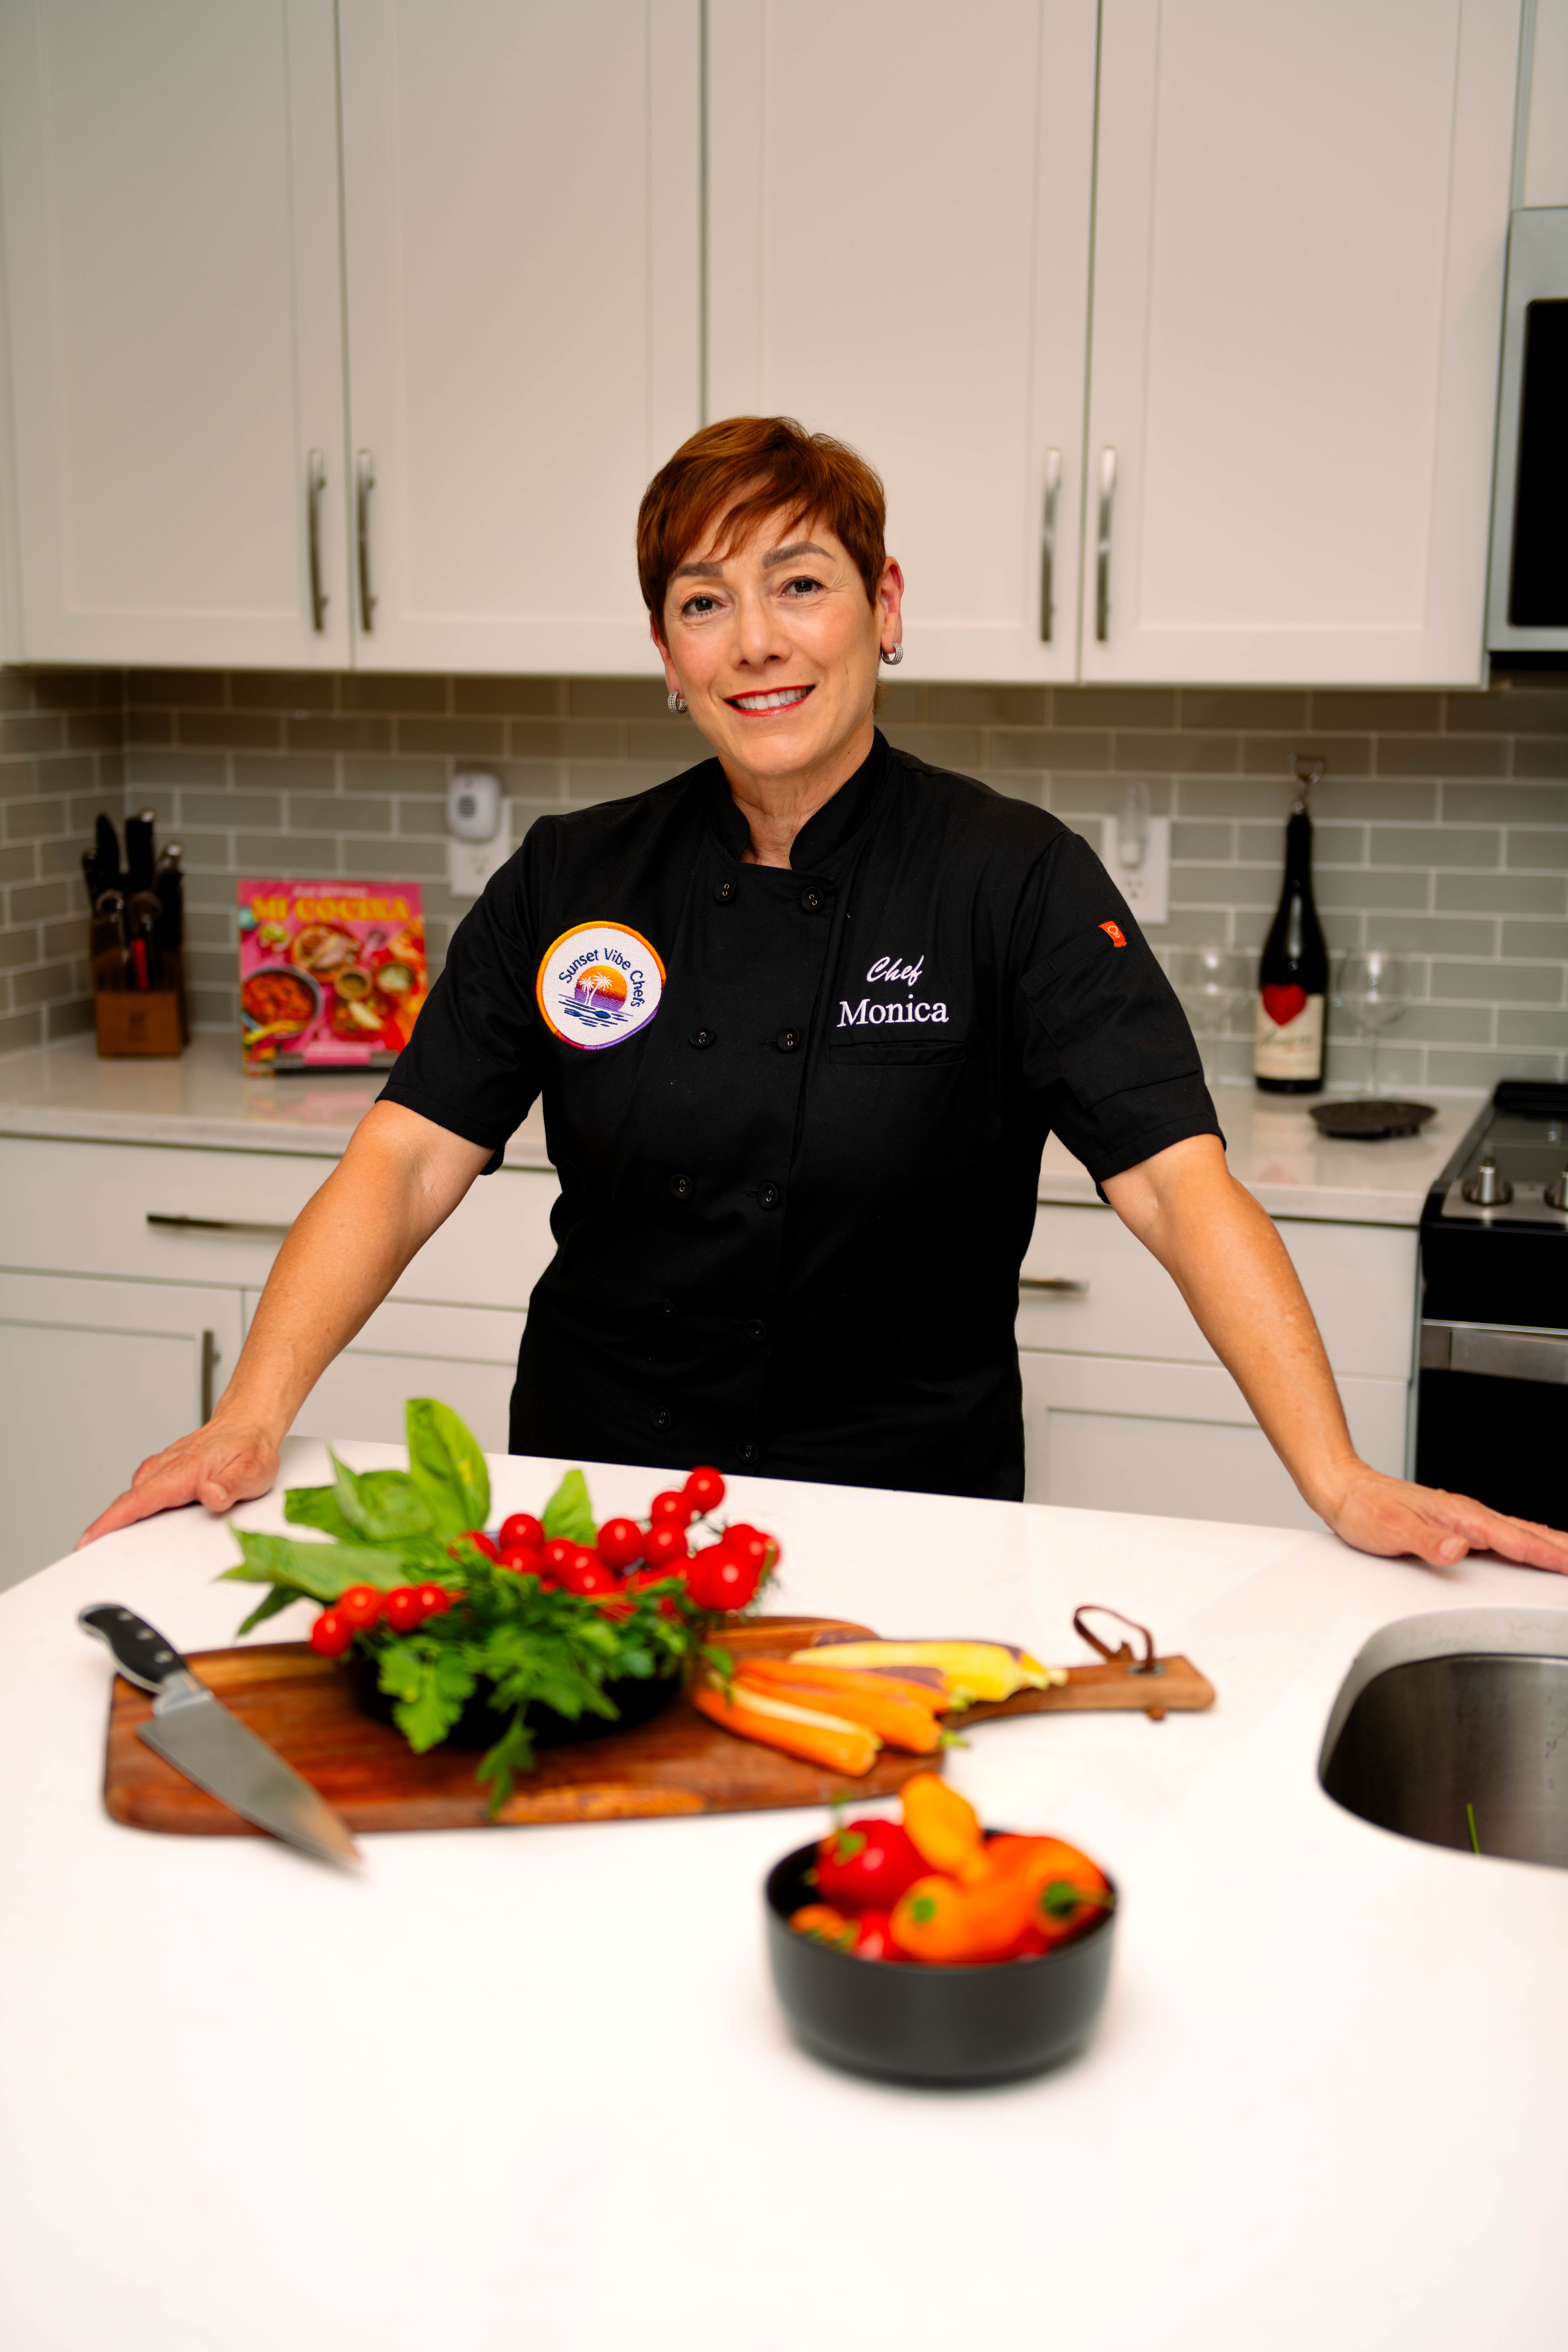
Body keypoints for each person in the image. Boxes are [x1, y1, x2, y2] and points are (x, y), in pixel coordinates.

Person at [83, 417, 1568, 1575]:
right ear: (666, 656)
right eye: (704, 601)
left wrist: (1339, 1478)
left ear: (885, 606)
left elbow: (1181, 1189)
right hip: (604, 1502)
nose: (759, 641)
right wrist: (250, 1416)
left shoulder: (1016, 881)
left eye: (801, 584)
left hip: (912, 1526)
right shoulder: (569, 880)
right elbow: (406, 1160)